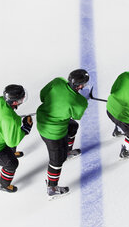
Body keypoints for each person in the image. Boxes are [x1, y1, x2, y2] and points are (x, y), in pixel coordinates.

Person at [36, 69, 89, 199]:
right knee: (57, 161)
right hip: (53, 133)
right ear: (80, 86)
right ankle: (52, 188)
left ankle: (68, 151)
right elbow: (77, 115)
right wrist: (82, 100)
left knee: (73, 127)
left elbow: (42, 96)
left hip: (42, 120)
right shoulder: (80, 102)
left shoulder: (58, 81)